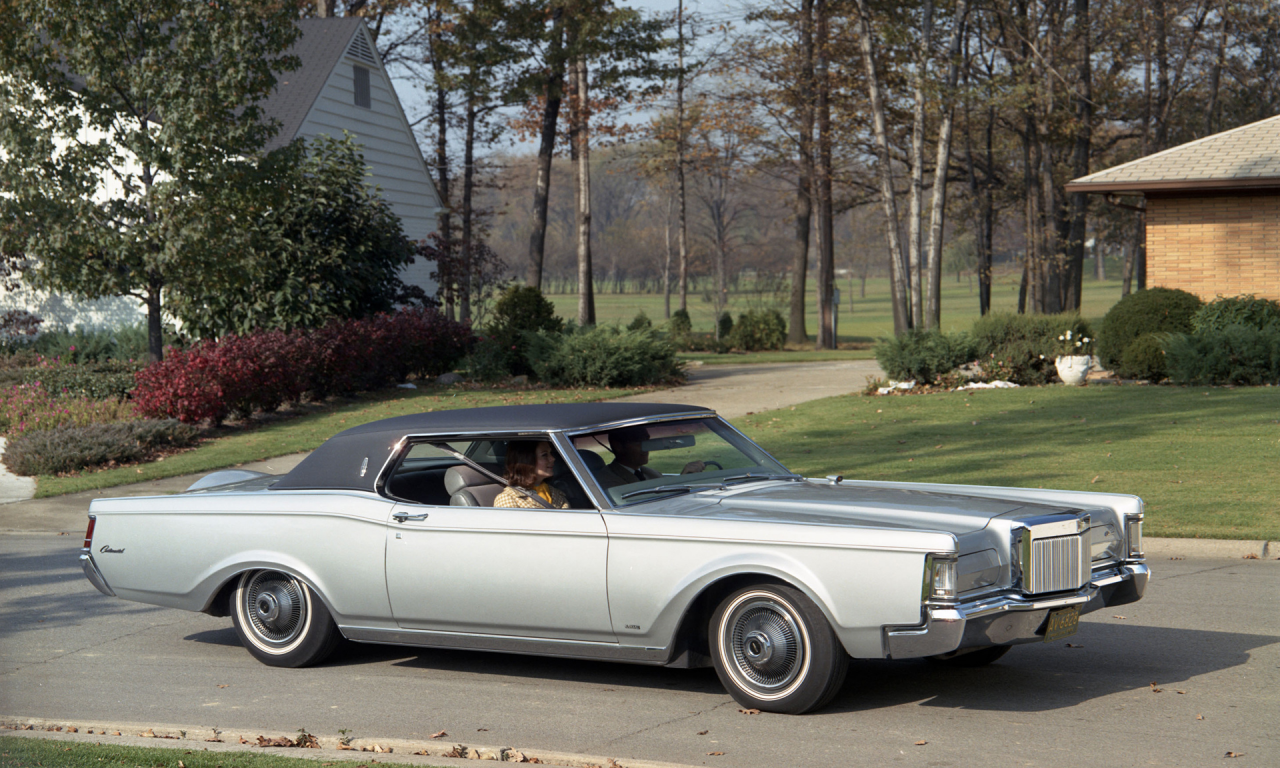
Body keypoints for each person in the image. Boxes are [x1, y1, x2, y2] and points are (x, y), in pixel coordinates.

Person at [597, 426, 704, 489]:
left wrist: (684, 479)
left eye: (647, 440)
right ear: (618, 446)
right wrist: (682, 482)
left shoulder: (650, 473)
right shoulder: (607, 481)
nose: (647, 447)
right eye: (638, 441)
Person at [493, 440, 570, 509]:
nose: (552, 458)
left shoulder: (555, 493)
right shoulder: (508, 499)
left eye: (550, 453)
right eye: (544, 455)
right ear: (526, 460)